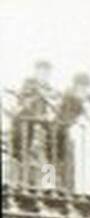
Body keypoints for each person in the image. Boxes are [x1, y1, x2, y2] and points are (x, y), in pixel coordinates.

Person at [14, 60, 57, 188]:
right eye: (42, 72)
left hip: (43, 125)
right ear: (36, 72)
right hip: (27, 125)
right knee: (24, 154)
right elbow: (23, 103)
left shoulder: (48, 87)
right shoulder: (29, 84)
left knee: (48, 153)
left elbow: (53, 102)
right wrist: (39, 95)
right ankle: (22, 183)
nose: (45, 76)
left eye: (47, 73)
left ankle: (48, 183)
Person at [52, 73, 90, 192]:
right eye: (83, 87)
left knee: (64, 161)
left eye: (86, 88)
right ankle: (52, 187)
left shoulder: (77, 96)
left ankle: (65, 187)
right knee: (53, 159)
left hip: (64, 132)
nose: (85, 90)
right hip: (57, 131)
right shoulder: (71, 96)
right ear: (77, 86)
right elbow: (83, 109)